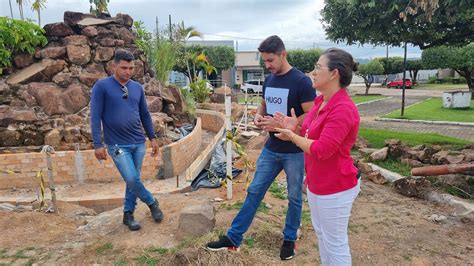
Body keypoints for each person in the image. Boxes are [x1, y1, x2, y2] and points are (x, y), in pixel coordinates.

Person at [206, 35, 316, 260]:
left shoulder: (301, 81)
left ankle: (289, 239)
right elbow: (265, 104)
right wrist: (258, 115)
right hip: (271, 147)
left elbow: (313, 115)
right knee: (254, 191)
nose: (268, 66)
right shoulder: (270, 79)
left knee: (294, 197)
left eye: (270, 60)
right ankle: (234, 238)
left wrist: (290, 124)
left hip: (294, 150)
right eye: (265, 61)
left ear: (283, 54)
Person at [273, 48, 361, 265]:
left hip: (336, 187)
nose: (313, 72)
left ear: (334, 74)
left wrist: (293, 137)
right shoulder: (322, 102)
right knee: (323, 236)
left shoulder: (342, 109)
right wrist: (295, 127)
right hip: (318, 184)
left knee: (335, 242)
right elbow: (309, 132)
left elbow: (322, 149)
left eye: (318, 67)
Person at [90, 49, 163, 231]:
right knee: (131, 178)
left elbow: (145, 115)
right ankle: (152, 202)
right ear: (113, 66)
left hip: (138, 142)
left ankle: (127, 214)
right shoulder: (102, 86)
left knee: (133, 181)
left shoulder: (137, 88)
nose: (128, 71)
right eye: (124, 67)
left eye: (131, 68)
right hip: (116, 144)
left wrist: (152, 138)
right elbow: (95, 116)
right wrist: (97, 144)